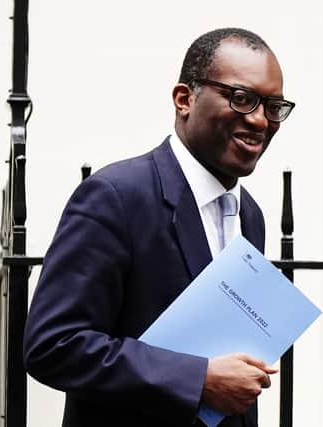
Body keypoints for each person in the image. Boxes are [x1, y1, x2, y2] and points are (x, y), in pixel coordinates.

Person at [23, 27, 296, 427]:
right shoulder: (116, 196)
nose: (259, 120)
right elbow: (53, 345)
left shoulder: (250, 215)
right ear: (185, 99)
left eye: (273, 107)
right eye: (241, 99)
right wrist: (198, 378)